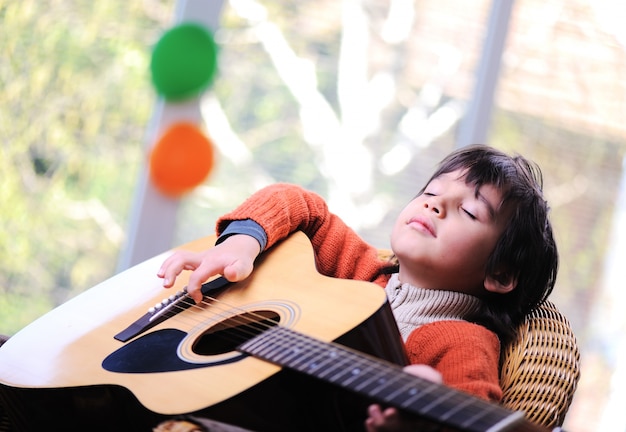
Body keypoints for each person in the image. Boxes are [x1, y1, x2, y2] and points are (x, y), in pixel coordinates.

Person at [157, 144, 558, 431]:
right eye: (431, 193)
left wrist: (414, 424)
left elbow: (472, 408)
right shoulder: (364, 268)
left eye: (469, 211)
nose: (434, 205)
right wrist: (241, 242)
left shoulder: (464, 343)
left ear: (501, 275)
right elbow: (298, 202)